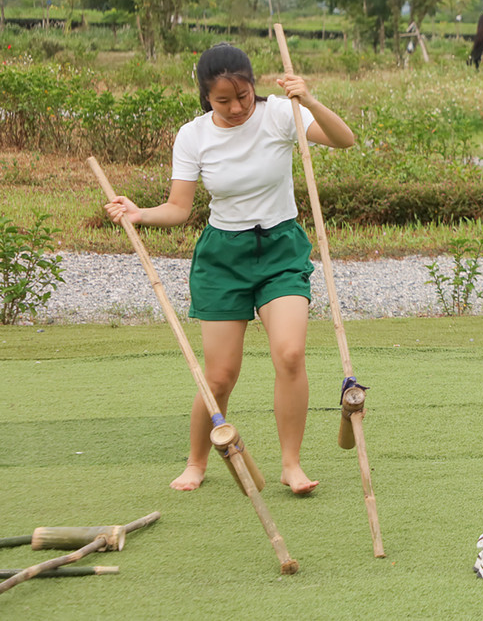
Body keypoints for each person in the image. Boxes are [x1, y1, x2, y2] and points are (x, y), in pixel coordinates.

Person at [103, 43, 356, 493]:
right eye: (224, 100)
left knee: (291, 354)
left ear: (253, 85)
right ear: (206, 97)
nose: (237, 107)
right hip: (223, 257)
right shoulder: (193, 136)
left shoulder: (280, 113)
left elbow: (344, 139)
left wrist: (309, 99)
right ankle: (197, 461)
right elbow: (179, 208)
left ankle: (291, 465)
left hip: (280, 249)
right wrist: (138, 213)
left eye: (243, 95)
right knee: (219, 374)